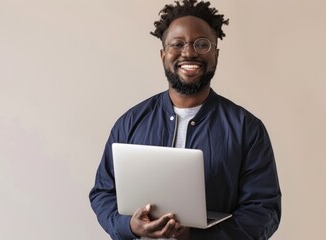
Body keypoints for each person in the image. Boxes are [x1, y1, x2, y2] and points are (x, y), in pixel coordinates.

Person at [89, 0, 282, 239]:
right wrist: (129, 227)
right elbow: (103, 193)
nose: (189, 52)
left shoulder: (247, 129)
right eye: (177, 44)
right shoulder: (131, 122)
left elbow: (263, 210)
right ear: (163, 55)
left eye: (202, 44)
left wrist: (196, 237)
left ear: (216, 54)